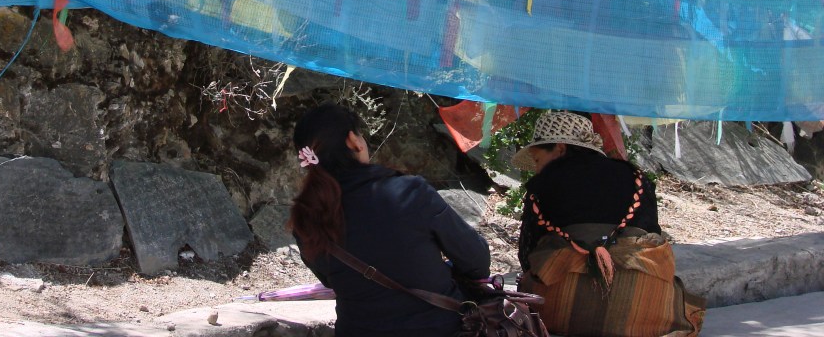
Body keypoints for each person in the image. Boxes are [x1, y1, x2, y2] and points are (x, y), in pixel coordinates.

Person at [288, 102, 492, 337]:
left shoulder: (305, 218)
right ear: (353, 140)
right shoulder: (410, 192)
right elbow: (476, 261)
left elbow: (330, 280)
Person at [513, 111, 705, 337]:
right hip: (644, 308)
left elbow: (527, 255)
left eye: (537, 160)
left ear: (560, 148)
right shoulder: (637, 178)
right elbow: (653, 235)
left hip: (560, 311)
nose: (537, 168)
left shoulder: (540, 186)